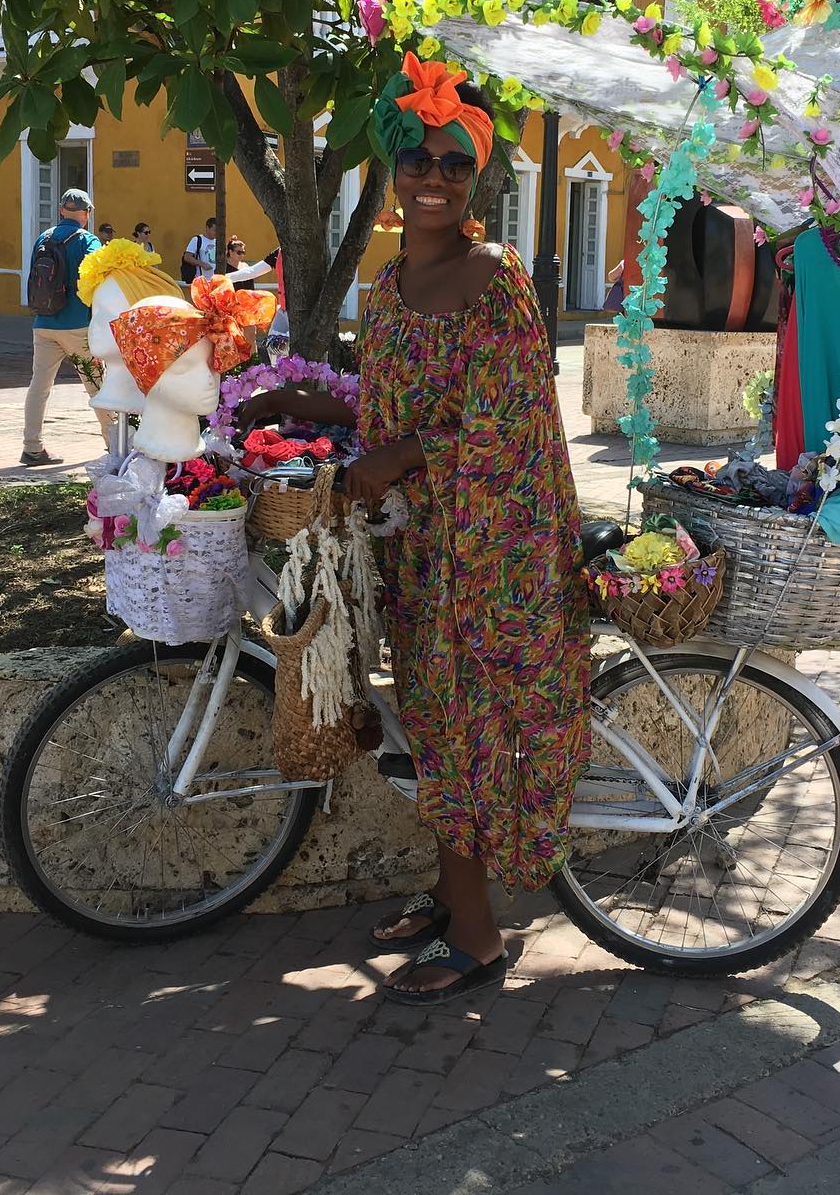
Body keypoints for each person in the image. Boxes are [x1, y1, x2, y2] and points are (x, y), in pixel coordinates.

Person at [238, 55, 589, 1003]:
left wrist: (391, 459)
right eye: (416, 162)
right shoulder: (388, 286)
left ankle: (478, 939)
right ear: (391, 174)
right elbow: (400, 409)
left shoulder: (496, 279)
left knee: (466, 732)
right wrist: (319, 401)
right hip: (422, 544)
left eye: (453, 166)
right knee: (436, 723)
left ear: (479, 182)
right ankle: (449, 893)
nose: (431, 179)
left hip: (494, 548)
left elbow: (508, 422)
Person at [21, 189, 114, 467]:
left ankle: (32, 447)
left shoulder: (43, 238)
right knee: (98, 387)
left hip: (43, 323)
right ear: (86, 214)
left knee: (39, 387)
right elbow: (97, 275)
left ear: (62, 210)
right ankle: (115, 445)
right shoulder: (88, 240)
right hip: (77, 327)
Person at [181, 218, 219, 283]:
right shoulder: (197, 240)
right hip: (200, 281)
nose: (216, 233)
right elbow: (187, 257)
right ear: (207, 228)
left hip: (214, 281)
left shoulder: (218, 241)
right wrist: (202, 264)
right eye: (214, 230)